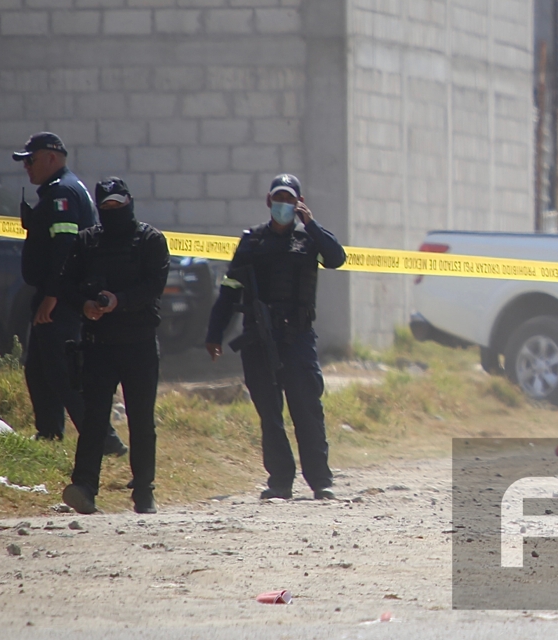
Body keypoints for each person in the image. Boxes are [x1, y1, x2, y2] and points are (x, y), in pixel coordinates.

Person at [204, 174, 346, 501]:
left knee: (306, 410)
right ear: (269, 202)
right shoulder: (251, 242)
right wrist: (214, 333)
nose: (283, 205)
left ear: (298, 202)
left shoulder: (310, 240)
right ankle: (280, 481)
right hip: (258, 338)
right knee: (270, 414)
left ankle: (320, 481)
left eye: (290, 199)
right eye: (278, 199)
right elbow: (230, 290)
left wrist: (311, 224)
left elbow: (336, 258)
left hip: (297, 338)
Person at [11, 132, 126, 455]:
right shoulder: (57, 190)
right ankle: (49, 433)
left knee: (65, 372)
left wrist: (52, 295)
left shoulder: (62, 192)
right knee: (39, 367)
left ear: (51, 157)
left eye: (30, 160)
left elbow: (65, 248)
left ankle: (106, 442)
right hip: (55, 295)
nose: (27, 168)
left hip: (61, 299)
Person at [58, 179, 169, 515]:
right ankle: (85, 487)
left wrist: (120, 301)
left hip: (138, 344)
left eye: (117, 206)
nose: (112, 212)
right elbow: (66, 285)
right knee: (94, 420)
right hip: (99, 345)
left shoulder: (150, 240)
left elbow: (154, 285)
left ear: (129, 204)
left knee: (141, 420)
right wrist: (86, 305)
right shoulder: (87, 242)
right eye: (105, 207)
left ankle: (144, 490)